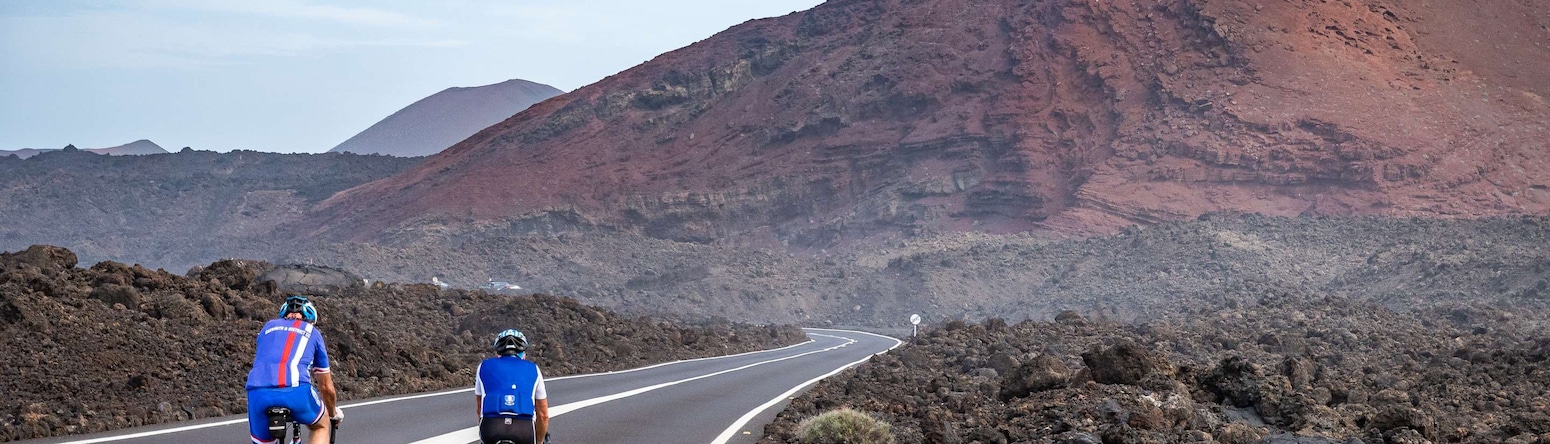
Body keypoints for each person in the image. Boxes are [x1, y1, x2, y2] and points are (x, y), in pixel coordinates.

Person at [245, 295, 341, 444]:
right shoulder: (313, 332)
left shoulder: (268, 327)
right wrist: (333, 413)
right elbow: (326, 386)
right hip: (295, 389)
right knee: (321, 425)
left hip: (257, 391)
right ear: (310, 318)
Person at [475, 329, 550, 444]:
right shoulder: (533, 369)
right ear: (523, 353)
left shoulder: (483, 366)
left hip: (491, 427)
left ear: (498, 353)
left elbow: (480, 408)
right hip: (523, 429)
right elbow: (543, 415)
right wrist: (539, 442)